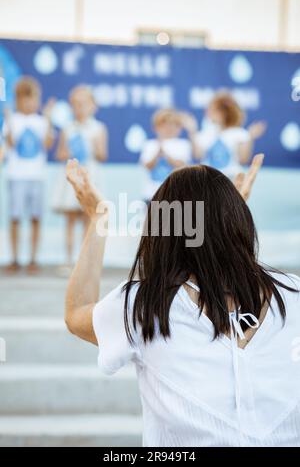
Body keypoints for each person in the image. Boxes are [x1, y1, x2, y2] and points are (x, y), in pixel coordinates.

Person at [64, 154, 300, 447]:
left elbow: (76, 313)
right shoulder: (293, 294)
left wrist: (99, 217)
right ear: (239, 220)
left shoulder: (145, 305)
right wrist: (220, 222)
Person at [1, 76, 54, 273]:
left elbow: (47, 144)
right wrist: (8, 121)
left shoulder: (41, 121)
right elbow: (12, 143)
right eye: (25, 99)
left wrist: (48, 118)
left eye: (33, 99)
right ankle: (14, 258)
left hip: (37, 177)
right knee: (15, 217)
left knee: (35, 217)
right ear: (18, 99)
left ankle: (33, 258)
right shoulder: (12, 120)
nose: (30, 103)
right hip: (16, 176)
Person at [53, 85, 108, 271]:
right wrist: (68, 151)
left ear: (93, 106)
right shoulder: (67, 129)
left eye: (84, 104)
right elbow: (60, 154)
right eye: (75, 104)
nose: (80, 108)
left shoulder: (98, 128)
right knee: (70, 219)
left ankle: (84, 263)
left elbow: (102, 155)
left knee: (88, 218)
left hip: (89, 177)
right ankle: (68, 260)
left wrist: (91, 144)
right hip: (72, 178)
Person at [194, 91, 266, 178]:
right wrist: (192, 130)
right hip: (208, 180)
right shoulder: (205, 133)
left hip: (231, 180)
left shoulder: (239, 133)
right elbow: (198, 155)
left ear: (224, 112)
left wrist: (250, 137)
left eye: (212, 109)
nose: (207, 113)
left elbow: (243, 159)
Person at [140, 109, 192, 202]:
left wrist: (166, 155)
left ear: (179, 128)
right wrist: (157, 154)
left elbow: (183, 166)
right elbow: (147, 166)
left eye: (173, 125)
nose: (168, 128)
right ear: (156, 128)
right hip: (152, 193)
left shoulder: (183, 144)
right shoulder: (150, 144)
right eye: (164, 125)